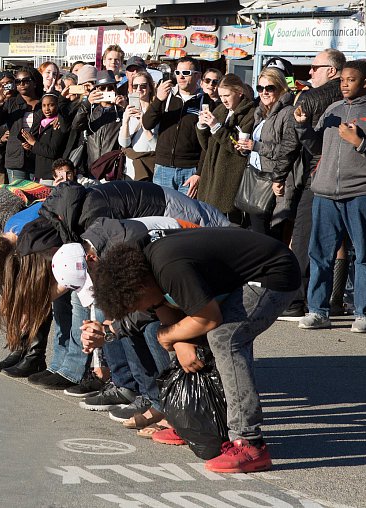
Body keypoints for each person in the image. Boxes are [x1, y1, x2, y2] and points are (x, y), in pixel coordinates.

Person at [90, 227, 300, 472]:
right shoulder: (149, 272)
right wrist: (177, 340)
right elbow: (165, 311)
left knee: (225, 338)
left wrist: (167, 336)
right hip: (242, 276)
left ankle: (249, 442)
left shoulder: (168, 267)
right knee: (184, 332)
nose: (139, 309)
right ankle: (192, 424)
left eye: (135, 304)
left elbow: (209, 318)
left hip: (274, 272)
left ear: (138, 287)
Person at [294, 60, 366, 332]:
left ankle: (362, 313)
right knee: (319, 254)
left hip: (359, 192)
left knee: (362, 255)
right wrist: (303, 127)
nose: (345, 84)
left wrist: (359, 142)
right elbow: (315, 147)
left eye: (351, 79)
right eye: (343, 80)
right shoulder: (332, 110)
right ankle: (318, 311)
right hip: (324, 193)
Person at [284, 48, 346, 320]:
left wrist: (277, 175)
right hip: (344, 177)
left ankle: (298, 302)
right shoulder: (345, 99)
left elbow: (292, 142)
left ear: (331, 70)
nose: (309, 72)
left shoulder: (311, 97)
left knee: (308, 241)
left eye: (314, 67)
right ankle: (329, 301)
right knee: (343, 243)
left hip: (316, 177)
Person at [234, 67, 297, 237]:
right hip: (255, 176)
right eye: (260, 88)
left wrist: (255, 146)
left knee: (266, 233)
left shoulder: (287, 112)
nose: (264, 92)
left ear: (281, 88)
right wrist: (245, 149)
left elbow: (288, 149)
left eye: (270, 88)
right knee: (255, 230)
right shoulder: (261, 112)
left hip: (272, 179)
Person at [195, 74, 256, 223]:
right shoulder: (220, 110)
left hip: (229, 180)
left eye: (227, 95)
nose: (224, 99)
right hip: (211, 179)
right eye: (221, 95)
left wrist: (216, 127)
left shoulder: (250, 113)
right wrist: (202, 126)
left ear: (239, 92)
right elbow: (207, 146)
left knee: (227, 227)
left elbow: (238, 148)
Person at [142, 57, 206, 198]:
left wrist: (199, 173)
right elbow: (147, 124)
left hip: (189, 170)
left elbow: (208, 143)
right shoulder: (167, 96)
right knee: (163, 215)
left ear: (198, 75)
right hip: (163, 168)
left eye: (186, 72)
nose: (181, 76)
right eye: (177, 72)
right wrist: (158, 100)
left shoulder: (205, 101)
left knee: (186, 216)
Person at [0, 67, 42, 182]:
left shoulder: (43, 103)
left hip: (37, 158)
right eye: (18, 82)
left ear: (34, 83)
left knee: (37, 197)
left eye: (26, 81)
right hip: (16, 159)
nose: (21, 84)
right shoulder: (11, 102)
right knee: (18, 197)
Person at [20, 93, 69, 182]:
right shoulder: (40, 123)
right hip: (39, 173)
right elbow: (41, 148)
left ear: (58, 106)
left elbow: (52, 152)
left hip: (52, 175)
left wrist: (34, 143)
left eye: (51, 105)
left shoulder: (58, 125)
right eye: (44, 105)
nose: (47, 109)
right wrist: (30, 147)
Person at [118, 71, 157, 181]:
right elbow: (124, 143)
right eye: (135, 86)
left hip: (151, 165)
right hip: (131, 168)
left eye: (143, 86)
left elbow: (155, 146)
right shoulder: (130, 109)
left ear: (150, 87)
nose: (139, 89)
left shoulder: (156, 111)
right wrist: (125, 120)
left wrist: (145, 123)